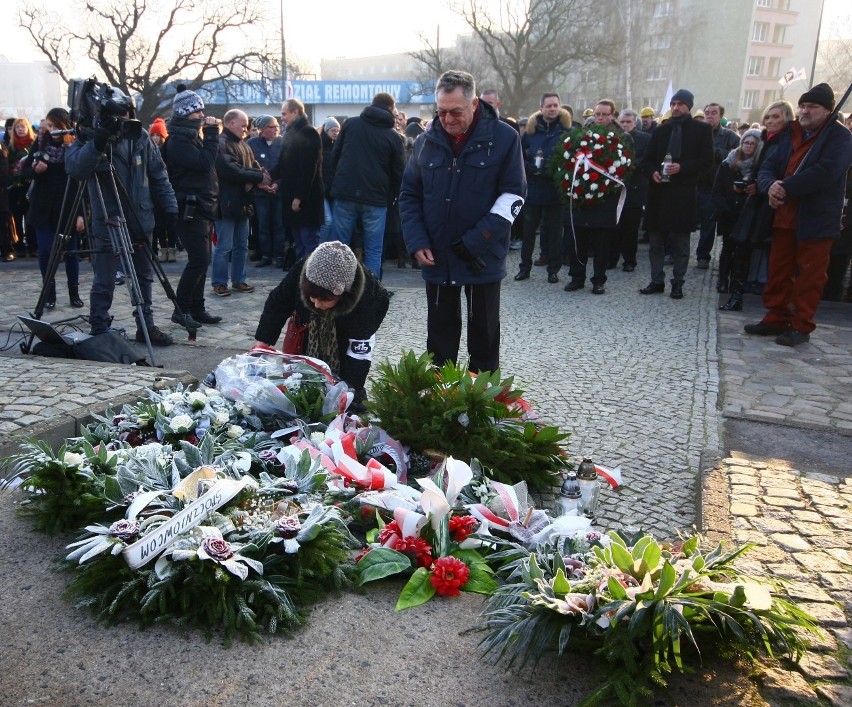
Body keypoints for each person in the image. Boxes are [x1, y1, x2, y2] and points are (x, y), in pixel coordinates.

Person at [400, 69, 526, 373]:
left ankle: (482, 405)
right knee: (439, 343)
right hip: (437, 256)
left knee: (483, 337)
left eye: (455, 111)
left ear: (473, 104)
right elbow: (409, 195)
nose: (447, 119)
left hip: (481, 256)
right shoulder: (426, 141)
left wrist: (476, 240)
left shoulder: (504, 138)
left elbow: (514, 196)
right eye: (441, 111)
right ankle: (441, 401)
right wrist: (416, 241)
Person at [745, 83, 852, 346]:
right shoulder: (789, 133)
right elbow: (769, 164)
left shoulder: (839, 137)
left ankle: (801, 324)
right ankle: (776, 317)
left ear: (827, 111)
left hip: (816, 217)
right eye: (803, 106)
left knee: (810, 275)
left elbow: (827, 171)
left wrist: (786, 186)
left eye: (812, 107)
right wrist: (770, 185)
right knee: (778, 271)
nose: (805, 111)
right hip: (784, 215)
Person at [65, 94, 178, 343]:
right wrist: (97, 142)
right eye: (116, 113)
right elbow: (75, 168)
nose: (121, 118)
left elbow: (159, 174)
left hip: (141, 218)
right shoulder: (91, 137)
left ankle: (146, 326)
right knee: (105, 278)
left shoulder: (140, 136)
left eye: (126, 112)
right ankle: (99, 327)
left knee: (144, 277)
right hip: (109, 220)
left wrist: (171, 208)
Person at [254, 240, 390, 408]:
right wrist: (261, 346)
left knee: (348, 403)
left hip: (343, 345)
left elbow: (359, 355)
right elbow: (277, 304)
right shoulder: (302, 271)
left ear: (343, 293)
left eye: (325, 299)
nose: (317, 304)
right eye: (312, 297)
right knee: (297, 395)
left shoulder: (370, 298)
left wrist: (346, 394)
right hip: (307, 337)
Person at [639, 89, 713, 299]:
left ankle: (678, 282)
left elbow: (707, 161)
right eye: (673, 103)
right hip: (659, 193)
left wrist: (682, 167)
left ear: (688, 106)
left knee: (680, 243)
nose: (676, 107)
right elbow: (647, 159)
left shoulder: (701, 130)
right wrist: (652, 171)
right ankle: (656, 280)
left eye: (680, 103)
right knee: (656, 242)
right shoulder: (661, 131)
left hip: (683, 193)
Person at [164, 85, 222, 331]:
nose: (201, 115)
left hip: (202, 207)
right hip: (190, 209)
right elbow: (204, 163)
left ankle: (197, 308)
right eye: (196, 112)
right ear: (184, 114)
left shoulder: (189, 137)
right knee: (199, 260)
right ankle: (181, 309)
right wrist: (211, 135)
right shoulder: (178, 141)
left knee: (202, 259)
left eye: (201, 111)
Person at [330, 92, 406, 277]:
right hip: (376, 198)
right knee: (373, 250)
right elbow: (399, 173)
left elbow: (335, 155)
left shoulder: (350, 124)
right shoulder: (393, 137)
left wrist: (337, 183)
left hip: (345, 192)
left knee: (339, 247)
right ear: (390, 108)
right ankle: (371, 294)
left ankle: (336, 290)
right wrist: (391, 197)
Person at [563, 99, 630, 295]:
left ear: (612, 116)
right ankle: (577, 277)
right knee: (579, 240)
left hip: (606, 198)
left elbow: (626, 167)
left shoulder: (622, 138)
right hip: (582, 196)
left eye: (604, 114)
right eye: (598, 114)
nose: (600, 118)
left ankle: (598, 280)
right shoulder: (581, 136)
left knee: (601, 243)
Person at [23, 108, 86, 310]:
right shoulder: (40, 143)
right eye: (47, 126)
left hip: (68, 206)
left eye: (53, 126)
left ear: (63, 126)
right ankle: (49, 292)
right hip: (43, 207)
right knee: (45, 251)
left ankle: (73, 292)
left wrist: (82, 214)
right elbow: (25, 170)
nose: (49, 130)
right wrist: (35, 170)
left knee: (71, 251)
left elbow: (82, 181)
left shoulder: (74, 145)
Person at [212, 109, 270, 297]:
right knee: (224, 247)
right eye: (243, 125)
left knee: (241, 245)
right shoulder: (221, 144)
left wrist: (259, 179)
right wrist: (258, 177)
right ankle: (219, 282)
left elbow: (251, 166)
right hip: (227, 204)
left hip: (243, 203)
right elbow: (232, 170)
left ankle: (239, 280)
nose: (246, 129)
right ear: (231, 123)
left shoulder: (243, 144)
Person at [514, 92, 570, 283]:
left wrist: (555, 168)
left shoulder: (566, 131)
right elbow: (518, 155)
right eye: (549, 106)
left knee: (555, 233)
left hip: (555, 190)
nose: (552, 109)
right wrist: (527, 166)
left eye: (556, 105)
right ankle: (524, 268)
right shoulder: (530, 132)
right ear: (541, 108)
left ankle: (553, 270)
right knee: (528, 232)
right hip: (533, 191)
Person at [712, 129, 762, 295]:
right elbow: (717, 189)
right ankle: (723, 280)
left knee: (743, 251)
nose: (748, 146)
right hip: (729, 212)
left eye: (752, 144)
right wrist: (725, 208)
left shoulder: (759, 165)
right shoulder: (728, 163)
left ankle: (737, 281)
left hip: (747, 212)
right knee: (727, 248)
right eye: (746, 142)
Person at [273, 99, 324, 260]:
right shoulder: (291, 133)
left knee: (309, 245)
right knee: (299, 245)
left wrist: (299, 197)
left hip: (305, 201)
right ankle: (299, 282)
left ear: (295, 112)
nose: (282, 117)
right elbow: (284, 164)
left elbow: (309, 169)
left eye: (284, 113)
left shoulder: (308, 132)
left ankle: (311, 283)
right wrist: (267, 177)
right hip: (293, 198)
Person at [695, 102, 740, 269]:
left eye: (714, 113)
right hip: (693, 183)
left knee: (708, 223)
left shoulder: (730, 137)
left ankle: (703, 256)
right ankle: (672, 252)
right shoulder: (696, 134)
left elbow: (735, 158)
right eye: (707, 112)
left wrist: (711, 149)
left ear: (720, 117)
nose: (709, 115)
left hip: (713, 186)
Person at [611, 109, 651, 272]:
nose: (625, 125)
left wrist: (628, 165)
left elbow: (647, 158)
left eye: (629, 122)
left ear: (635, 123)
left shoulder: (645, 139)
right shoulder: (613, 138)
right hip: (615, 188)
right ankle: (611, 258)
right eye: (623, 122)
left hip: (635, 188)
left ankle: (629, 260)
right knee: (614, 227)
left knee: (630, 228)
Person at [246, 114, 285, 268]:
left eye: (276, 126)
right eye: (271, 126)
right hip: (260, 193)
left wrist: (278, 184)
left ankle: (279, 255)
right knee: (263, 225)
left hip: (278, 192)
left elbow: (287, 167)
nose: (275, 129)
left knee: (279, 225)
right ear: (262, 130)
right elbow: (248, 167)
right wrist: (259, 183)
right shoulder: (252, 144)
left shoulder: (283, 143)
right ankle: (266, 255)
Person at [148, 117, 177, 263]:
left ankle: (171, 248)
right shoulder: (148, 151)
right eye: (153, 135)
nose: (155, 138)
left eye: (158, 135)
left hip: (168, 188)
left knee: (171, 220)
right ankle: (163, 248)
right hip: (154, 192)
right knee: (158, 222)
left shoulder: (168, 151)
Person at [7, 118, 36, 258]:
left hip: (31, 185)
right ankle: (20, 247)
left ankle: (33, 246)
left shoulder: (34, 144)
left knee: (31, 218)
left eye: (22, 127)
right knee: (17, 218)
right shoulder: (11, 146)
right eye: (17, 127)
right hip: (16, 187)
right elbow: (9, 166)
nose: (20, 129)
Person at [318, 117, 340, 243]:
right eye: (333, 130)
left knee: (335, 223)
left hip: (334, 191)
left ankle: (329, 250)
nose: (336, 133)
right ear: (326, 131)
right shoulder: (320, 147)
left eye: (337, 130)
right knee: (328, 221)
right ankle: (319, 250)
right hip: (322, 191)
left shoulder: (339, 147)